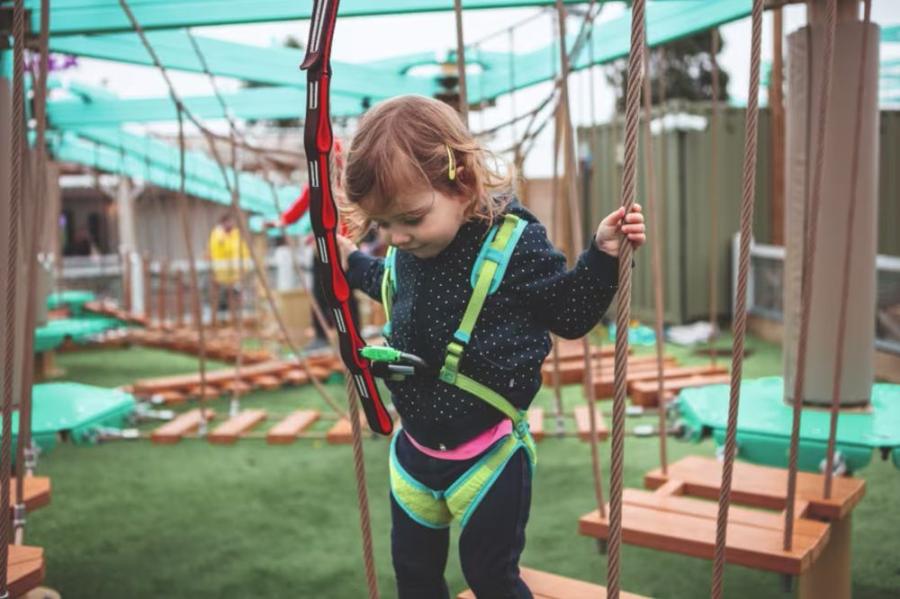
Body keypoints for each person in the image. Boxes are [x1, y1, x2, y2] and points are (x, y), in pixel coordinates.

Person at [336, 95, 645, 598]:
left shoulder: (513, 243)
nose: (396, 237)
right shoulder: (410, 247)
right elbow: (391, 284)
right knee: (413, 577)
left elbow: (568, 315)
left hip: (489, 457)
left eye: (409, 219)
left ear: (461, 184)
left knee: (490, 578)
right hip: (413, 454)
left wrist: (602, 255)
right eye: (382, 225)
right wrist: (351, 264)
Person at [207, 212, 249, 314]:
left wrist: (244, 267)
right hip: (221, 275)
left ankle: (234, 314)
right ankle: (222, 316)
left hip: (236, 274)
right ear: (222, 223)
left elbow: (244, 251)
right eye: (228, 222)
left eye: (231, 222)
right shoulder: (217, 235)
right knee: (223, 299)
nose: (230, 224)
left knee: (236, 297)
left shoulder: (236, 234)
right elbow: (216, 252)